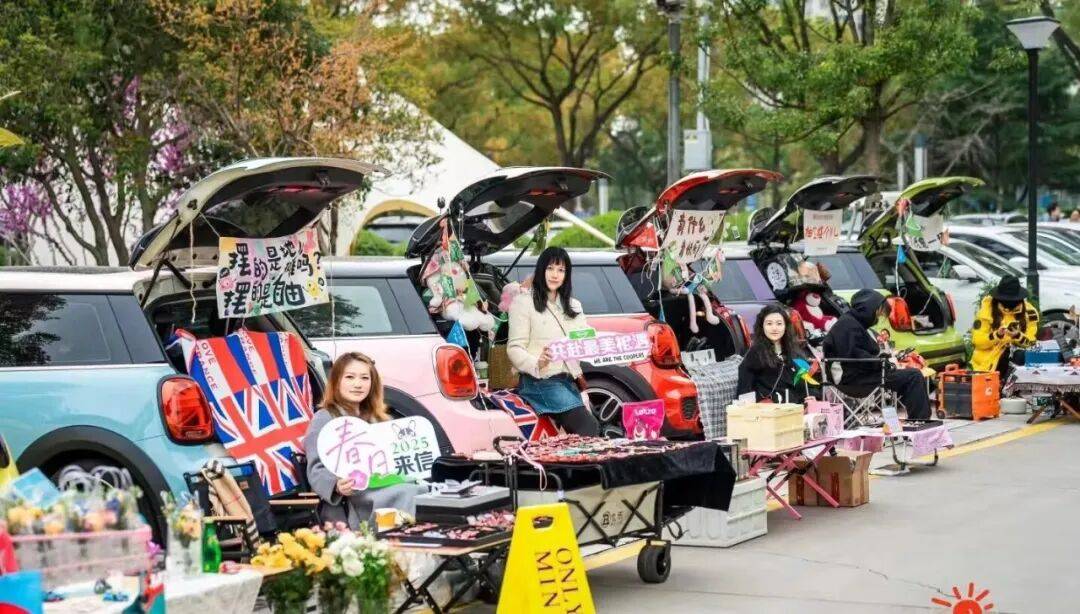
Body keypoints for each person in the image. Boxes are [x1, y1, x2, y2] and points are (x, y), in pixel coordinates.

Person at [303, 352, 426, 529]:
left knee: (425, 491)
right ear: (336, 381)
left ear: (372, 383)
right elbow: (316, 468)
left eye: (364, 378)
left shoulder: (380, 420)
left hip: (387, 483)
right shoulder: (325, 418)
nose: (358, 384)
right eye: (350, 377)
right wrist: (336, 485)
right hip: (354, 497)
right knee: (406, 493)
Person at [507, 246, 601, 436]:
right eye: (550, 268)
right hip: (539, 382)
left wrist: (609, 349)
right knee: (588, 427)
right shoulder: (523, 302)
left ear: (567, 275)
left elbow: (585, 340)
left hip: (569, 381)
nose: (555, 275)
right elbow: (514, 348)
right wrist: (537, 362)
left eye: (561, 270)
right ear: (541, 269)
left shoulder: (574, 305)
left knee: (577, 435)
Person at [822, 289, 932, 420]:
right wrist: (883, 363)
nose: (878, 319)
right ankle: (920, 420)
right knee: (913, 376)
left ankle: (918, 419)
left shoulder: (854, 324)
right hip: (852, 380)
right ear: (869, 309)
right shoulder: (847, 326)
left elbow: (861, 354)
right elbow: (854, 356)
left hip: (861, 374)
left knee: (910, 375)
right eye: (878, 314)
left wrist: (886, 361)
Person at [737, 304, 819, 403]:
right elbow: (744, 392)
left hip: (797, 408)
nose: (774, 328)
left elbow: (807, 384)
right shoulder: (755, 354)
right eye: (769, 324)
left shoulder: (795, 352)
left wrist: (812, 397)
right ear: (762, 326)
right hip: (769, 409)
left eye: (779, 323)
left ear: (786, 326)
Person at [970, 275, 1038, 380]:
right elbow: (977, 341)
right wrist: (996, 335)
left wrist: (1017, 336)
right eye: (1005, 299)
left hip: (1015, 360)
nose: (1009, 303)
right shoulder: (986, 311)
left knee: (1021, 356)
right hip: (987, 363)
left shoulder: (1029, 313)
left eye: (1013, 299)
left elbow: (1032, 343)